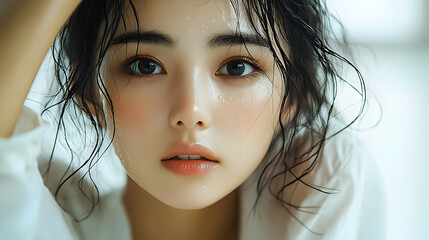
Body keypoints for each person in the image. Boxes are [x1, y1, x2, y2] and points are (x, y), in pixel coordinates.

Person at [0, 0, 386, 239]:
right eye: (145, 65)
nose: (190, 112)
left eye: (237, 67)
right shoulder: (47, 213)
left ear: (292, 97)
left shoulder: (323, 187)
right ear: (90, 97)